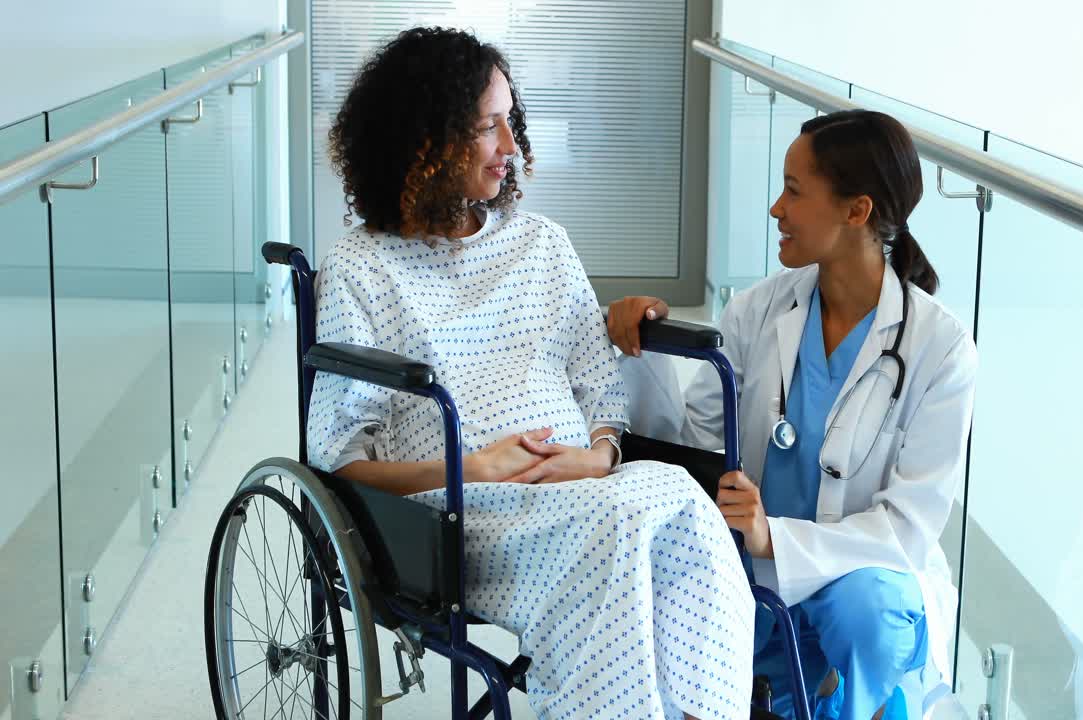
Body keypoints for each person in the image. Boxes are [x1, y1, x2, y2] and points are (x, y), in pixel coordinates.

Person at [307, 26, 753, 720]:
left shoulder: (543, 244)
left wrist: (598, 456)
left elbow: (601, 390)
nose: (512, 147)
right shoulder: (362, 269)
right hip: (458, 522)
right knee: (617, 532)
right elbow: (339, 461)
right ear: (427, 144)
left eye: (511, 121)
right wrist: (471, 468)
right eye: (490, 128)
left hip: (585, 490)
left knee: (683, 505)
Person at [608, 110, 978, 720]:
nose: (777, 208)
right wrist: (644, 350)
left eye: (795, 191)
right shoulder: (758, 311)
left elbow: (906, 529)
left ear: (856, 211)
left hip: (859, 581)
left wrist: (773, 536)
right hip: (749, 567)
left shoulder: (939, 349)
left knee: (867, 614)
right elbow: (698, 448)